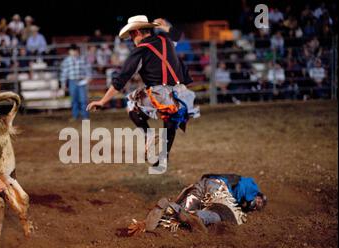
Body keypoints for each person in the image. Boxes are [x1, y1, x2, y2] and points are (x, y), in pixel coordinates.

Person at [86, 15, 198, 163]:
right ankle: (164, 155)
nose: (132, 39)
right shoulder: (167, 41)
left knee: (131, 103)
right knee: (171, 120)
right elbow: (177, 33)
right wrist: (163, 26)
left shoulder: (141, 50)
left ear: (137, 32)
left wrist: (102, 101)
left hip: (160, 94)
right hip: (182, 93)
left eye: (131, 35)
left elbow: (122, 78)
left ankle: (148, 134)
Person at [128, 174, 267, 235]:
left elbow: (205, 177)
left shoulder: (243, 195)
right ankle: (199, 217)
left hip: (203, 185)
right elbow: (244, 186)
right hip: (218, 189)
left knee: (176, 218)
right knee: (226, 216)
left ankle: (149, 221)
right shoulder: (250, 186)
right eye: (259, 201)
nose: (256, 204)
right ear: (259, 194)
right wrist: (250, 199)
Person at [60, 44, 91, 120]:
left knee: (83, 100)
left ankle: (85, 116)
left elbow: (88, 69)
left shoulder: (83, 59)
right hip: (72, 81)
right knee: (74, 100)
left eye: (75, 50)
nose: (74, 52)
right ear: (69, 52)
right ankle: (75, 116)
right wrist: (63, 83)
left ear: (77, 51)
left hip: (81, 81)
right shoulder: (66, 61)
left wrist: (88, 78)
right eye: (72, 50)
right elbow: (64, 73)